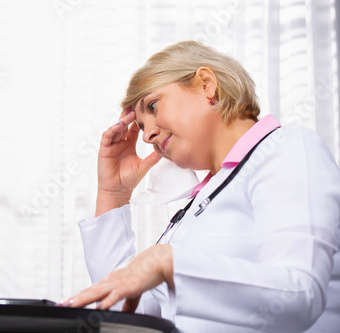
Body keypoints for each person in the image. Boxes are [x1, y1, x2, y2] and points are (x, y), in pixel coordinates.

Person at [59, 41, 340, 332]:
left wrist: (166, 263)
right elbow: (127, 313)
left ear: (207, 85)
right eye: (141, 127)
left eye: (153, 106)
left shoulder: (287, 148)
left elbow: (299, 293)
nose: (147, 136)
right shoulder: (202, 200)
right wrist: (112, 194)